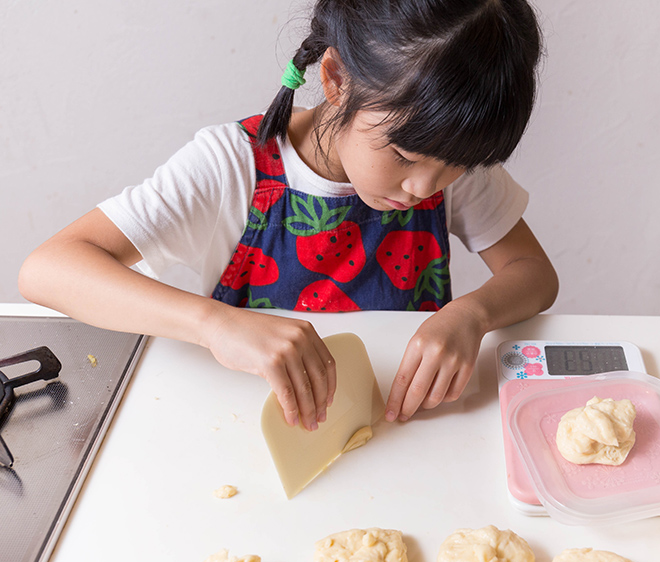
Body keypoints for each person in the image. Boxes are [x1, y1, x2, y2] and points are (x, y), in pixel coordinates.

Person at [18, 0, 558, 432]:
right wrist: (215, 324)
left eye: (456, 167)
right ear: (336, 78)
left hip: (406, 428)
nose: (425, 187)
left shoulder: (445, 155)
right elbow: (49, 270)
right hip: (247, 430)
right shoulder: (231, 165)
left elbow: (534, 274)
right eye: (403, 157)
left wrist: (473, 314)